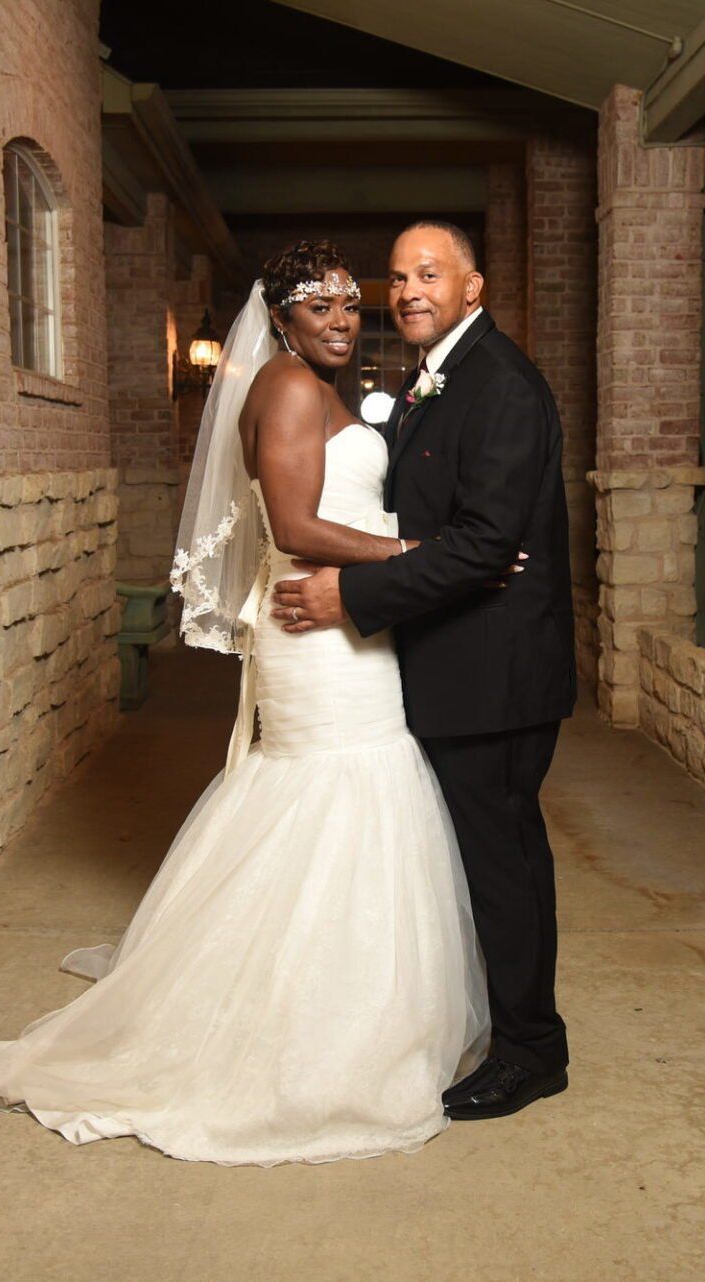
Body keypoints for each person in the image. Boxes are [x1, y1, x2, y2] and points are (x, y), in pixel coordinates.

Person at [0, 241, 489, 1164]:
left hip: (341, 622)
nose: (344, 320)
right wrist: (417, 554)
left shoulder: (303, 383)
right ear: (279, 320)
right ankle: (311, 1035)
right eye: (320, 308)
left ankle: (339, 1006)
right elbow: (299, 526)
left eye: (352, 304)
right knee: (334, 793)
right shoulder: (292, 388)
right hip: (320, 633)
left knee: (343, 793)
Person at [271, 220, 577, 1121]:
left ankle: (532, 1051)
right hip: (450, 662)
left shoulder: (504, 386)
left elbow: (485, 544)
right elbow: (440, 523)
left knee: (504, 862)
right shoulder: (431, 377)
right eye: (398, 276)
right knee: (470, 861)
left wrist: (353, 599)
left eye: (429, 274)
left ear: (471, 287)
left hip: (498, 675)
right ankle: (492, 1024)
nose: (407, 290)